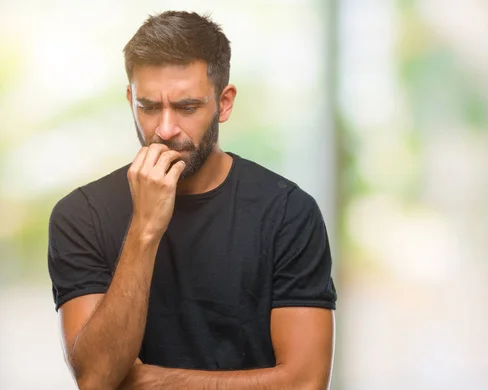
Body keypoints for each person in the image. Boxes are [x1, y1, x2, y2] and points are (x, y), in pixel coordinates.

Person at [47, 10, 337, 390]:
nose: (165, 130)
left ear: (225, 102)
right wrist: (145, 230)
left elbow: (304, 382)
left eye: (187, 107)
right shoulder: (80, 216)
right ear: (130, 99)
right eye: (148, 107)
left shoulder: (288, 212)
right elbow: (98, 379)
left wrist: (148, 380)